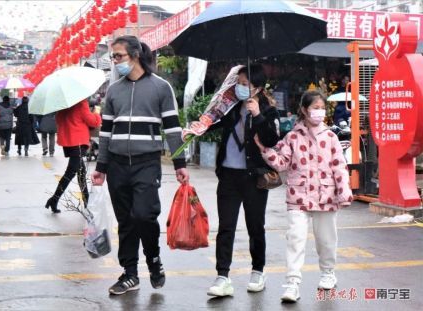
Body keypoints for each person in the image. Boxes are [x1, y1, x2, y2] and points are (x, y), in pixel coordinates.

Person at [91, 35, 189, 295]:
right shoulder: (113, 90)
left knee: (144, 215)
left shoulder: (160, 87)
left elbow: (172, 128)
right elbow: (105, 132)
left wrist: (179, 163)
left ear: (134, 55)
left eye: (118, 56)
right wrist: (101, 167)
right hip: (116, 165)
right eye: (113, 57)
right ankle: (130, 273)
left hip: (147, 163)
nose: (115, 62)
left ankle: (154, 260)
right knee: (126, 221)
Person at [254, 90, 353, 303]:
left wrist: (344, 190)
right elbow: (281, 163)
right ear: (304, 110)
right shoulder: (292, 137)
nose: (319, 112)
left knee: (326, 240)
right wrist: (264, 150)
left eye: (321, 108)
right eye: (315, 107)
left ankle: (328, 273)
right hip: (298, 196)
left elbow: (340, 167)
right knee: (295, 239)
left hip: (326, 196)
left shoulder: (331, 137)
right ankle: (292, 283)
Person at [204, 65, 280, 297]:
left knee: (255, 226)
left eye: (246, 84)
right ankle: (222, 276)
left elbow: (271, 139)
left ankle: (258, 271)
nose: (241, 88)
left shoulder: (268, 110)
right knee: (226, 227)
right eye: (239, 83)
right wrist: (199, 127)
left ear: (257, 87)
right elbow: (212, 124)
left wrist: (257, 115)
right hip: (228, 175)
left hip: (253, 178)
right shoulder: (230, 106)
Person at [45, 100, 101, 213]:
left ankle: (86, 202)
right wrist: (96, 113)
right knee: (71, 173)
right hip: (78, 142)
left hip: (69, 142)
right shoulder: (81, 103)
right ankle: (54, 199)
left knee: (81, 173)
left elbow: (58, 120)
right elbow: (93, 122)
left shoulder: (62, 104)